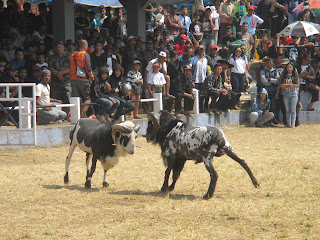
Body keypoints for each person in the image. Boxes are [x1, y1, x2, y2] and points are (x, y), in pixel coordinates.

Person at [69, 39, 94, 118]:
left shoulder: (73, 55)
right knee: (87, 98)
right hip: (83, 79)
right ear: (85, 46)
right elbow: (88, 68)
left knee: (76, 98)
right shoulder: (85, 55)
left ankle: (76, 116)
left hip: (73, 79)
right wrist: (91, 77)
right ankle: (83, 114)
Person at [48, 40, 71, 105]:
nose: (59, 49)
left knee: (68, 97)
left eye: (60, 47)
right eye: (57, 47)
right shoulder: (52, 57)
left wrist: (62, 73)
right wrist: (58, 74)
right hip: (55, 81)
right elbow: (50, 67)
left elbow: (72, 68)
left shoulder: (69, 56)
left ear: (64, 48)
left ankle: (69, 113)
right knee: (56, 99)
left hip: (66, 80)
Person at [278, 62, 299, 128]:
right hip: (286, 93)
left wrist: (287, 86)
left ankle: (293, 123)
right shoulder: (284, 75)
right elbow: (282, 85)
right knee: (287, 109)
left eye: (290, 67)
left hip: (293, 93)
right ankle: (288, 123)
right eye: (288, 67)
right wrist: (290, 85)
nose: (289, 69)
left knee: (293, 109)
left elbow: (296, 85)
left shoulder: (295, 75)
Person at [191, 45, 208, 112]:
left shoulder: (206, 60)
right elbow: (192, 70)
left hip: (203, 80)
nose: (201, 51)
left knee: (202, 96)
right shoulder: (194, 59)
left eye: (202, 50)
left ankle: (201, 108)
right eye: (200, 50)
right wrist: (192, 80)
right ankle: (194, 108)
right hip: (196, 80)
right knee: (196, 95)